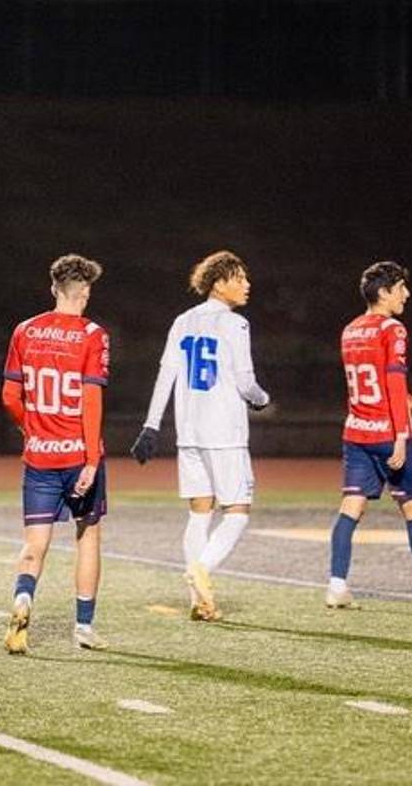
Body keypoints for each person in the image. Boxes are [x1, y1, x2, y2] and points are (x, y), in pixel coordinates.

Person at [130, 250, 269, 621]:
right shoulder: (236, 324)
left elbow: (166, 375)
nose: (247, 284)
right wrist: (262, 399)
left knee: (199, 513)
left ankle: (199, 600)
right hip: (225, 432)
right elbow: (245, 381)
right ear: (219, 283)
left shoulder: (183, 320)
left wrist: (151, 425)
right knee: (237, 513)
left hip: (189, 432)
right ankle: (201, 569)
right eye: (239, 278)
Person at [327, 261, 412, 609]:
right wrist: (402, 435)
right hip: (389, 434)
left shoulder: (350, 330)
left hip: (357, 432)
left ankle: (336, 585)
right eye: (401, 288)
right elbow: (391, 382)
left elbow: (373, 382)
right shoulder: (394, 329)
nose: (407, 294)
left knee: (351, 507)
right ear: (384, 292)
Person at [1, 254, 111, 654]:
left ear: (54, 288)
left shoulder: (25, 330)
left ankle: (23, 597)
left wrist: (30, 429)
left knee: (35, 543)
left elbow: (10, 396)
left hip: (40, 457)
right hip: (78, 455)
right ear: (85, 292)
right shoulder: (93, 334)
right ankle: (83, 626)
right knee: (88, 534)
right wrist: (92, 459)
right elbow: (91, 400)